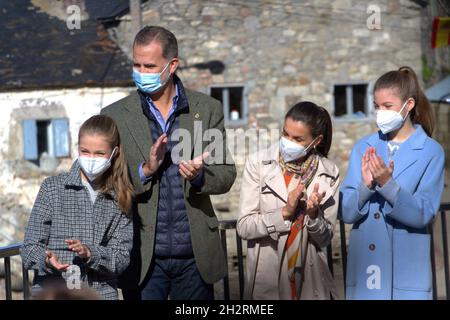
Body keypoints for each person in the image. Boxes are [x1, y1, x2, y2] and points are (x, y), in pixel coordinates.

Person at [101, 26, 236, 300]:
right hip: (142, 258)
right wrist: (145, 171)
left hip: (195, 259)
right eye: (136, 65)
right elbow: (107, 186)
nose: (141, 72)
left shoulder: (207, 110)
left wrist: (200, 176)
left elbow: (226, 175)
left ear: (172, 65)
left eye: (149, 66)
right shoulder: (114, 116)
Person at [340, 66, 445, 300]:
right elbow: (346, 212)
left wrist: (388, 185)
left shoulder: (431, 152)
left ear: (408, 105)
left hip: (406, 271)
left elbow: (424, 213)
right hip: (367, 270)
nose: (380, 112)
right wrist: (365, 187)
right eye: (377, 106)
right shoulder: (363, 147)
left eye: (388, 106)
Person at [21, 115, 134, 300]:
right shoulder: (52, 188)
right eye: (85, 151)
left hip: (100, 294)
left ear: (114, 153)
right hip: (55, 292)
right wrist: (47, 260)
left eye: (99, 153)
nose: (91, 159)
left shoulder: (121, 196)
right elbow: (29, 248)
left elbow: (121, 259)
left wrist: (91, 253)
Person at [237, 101, 340, 300]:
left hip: (308, 277)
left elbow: (325, 238)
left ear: (316, 140)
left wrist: (313, 215)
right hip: (268, 276)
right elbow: (244, 226)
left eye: (298, 138)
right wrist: (284, 212)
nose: (288, 142)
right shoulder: (258, 164)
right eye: (285, 134)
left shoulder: (328, 172)